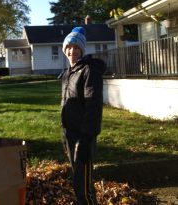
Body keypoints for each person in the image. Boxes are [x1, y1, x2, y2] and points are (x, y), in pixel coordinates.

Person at [60, 27, 106, 205]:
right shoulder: (69, 73)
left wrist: (86, 139)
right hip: (69, 134)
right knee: (79, 182)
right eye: (68, 47)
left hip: (83, 137)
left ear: (82, 49)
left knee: (84, 189)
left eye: (76, 47)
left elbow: (93, 107)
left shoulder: (89, 71)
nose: (72, 51)